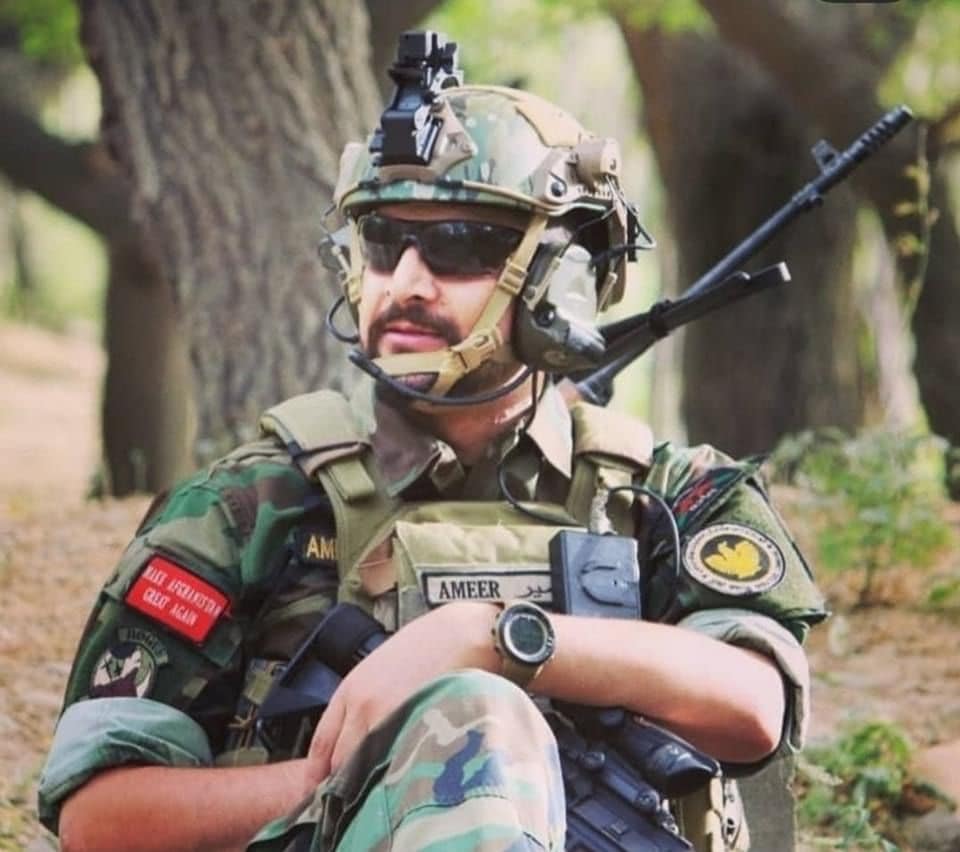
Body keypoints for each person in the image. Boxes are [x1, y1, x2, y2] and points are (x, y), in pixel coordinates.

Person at [39, 32, 826, 852]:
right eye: (383, 244)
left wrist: (495, 639)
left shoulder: (672, 497)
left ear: (563, 277)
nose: (405, 283)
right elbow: (101, 817)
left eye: (459, 246)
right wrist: (369, 778)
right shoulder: (248, 507)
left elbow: (752, 704)